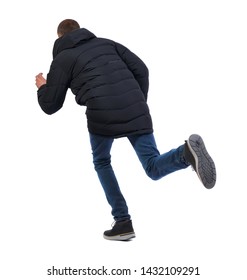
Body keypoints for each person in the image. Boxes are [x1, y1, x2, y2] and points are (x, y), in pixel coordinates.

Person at [35, 19, 216, 241]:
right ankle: (185, 153)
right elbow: (142, 69)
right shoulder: (108, 43)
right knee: (152, 166)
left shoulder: (62, 58)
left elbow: (50, 105)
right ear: (80, 30)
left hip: (102, 114)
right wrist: (136, 102)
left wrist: (43, 87)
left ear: (59, 37)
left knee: (102, 161)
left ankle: (122, 222)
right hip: (135, 107)